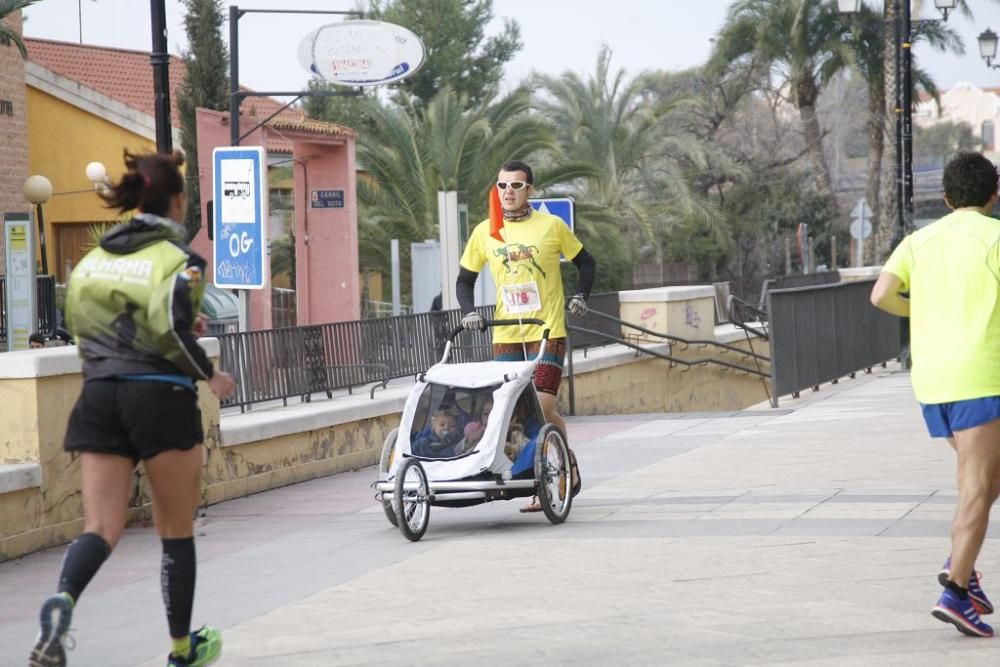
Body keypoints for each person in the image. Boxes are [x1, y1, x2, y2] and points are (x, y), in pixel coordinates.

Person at [28, 150, 236, 667]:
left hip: (99, 397)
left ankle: (63, 600)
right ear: (177, 200)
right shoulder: (181, 261)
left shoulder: (92, 260)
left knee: (100, 527)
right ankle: (182, 650)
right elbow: (170, 331)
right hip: (160, 398)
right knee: (175, 530)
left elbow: (83, 329)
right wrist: (209, 373)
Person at [871, 151, 1000, 638]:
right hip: (984, 378)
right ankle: (956, 592)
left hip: (934, 383)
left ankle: (960, 569)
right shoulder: (996, 237)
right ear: (994, 194)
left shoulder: (917, 242)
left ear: (946, 197)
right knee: (976, 487)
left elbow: (881, 295)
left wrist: (921, 307)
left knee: (986, 482)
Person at [456, 159, 594, 511]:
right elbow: (464, 280)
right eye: (502, 186)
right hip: (506, 335)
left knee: (542, 407)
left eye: (516, 186)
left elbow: (586, 262)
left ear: (529, 190)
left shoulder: (552, 225)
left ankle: (552, 481)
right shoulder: (486, 231)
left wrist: (580, 296)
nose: (508, 192)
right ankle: (565, 467)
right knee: (516, 412)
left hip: (547, 330)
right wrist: (470, 311)